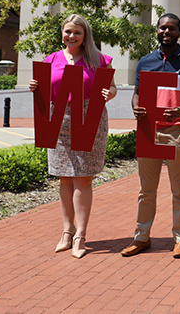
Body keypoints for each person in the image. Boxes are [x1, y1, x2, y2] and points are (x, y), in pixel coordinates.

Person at [30, 14, 117, 259]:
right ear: (62, 33)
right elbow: (46, 89)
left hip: (90, 117)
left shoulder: (98, 60)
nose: (72, 36)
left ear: (85, 35)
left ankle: (81, 234)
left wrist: (108, 93)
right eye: (68, 31)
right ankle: (66, 231)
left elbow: (112, 88)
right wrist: (35, 87)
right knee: (64, 178)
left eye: (77, 32)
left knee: (83, 178)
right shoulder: (52, 59)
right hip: (59, 120)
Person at [121, 13, 180, 259]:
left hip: (177, 130)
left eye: (172, 28)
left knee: (179, 189)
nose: (166, 32)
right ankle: (141, 237)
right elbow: (137, 93)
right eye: (162, 28)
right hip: (149, 131)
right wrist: (135, 106)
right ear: (156, 31)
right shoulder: (146, 61)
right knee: (146, 190)